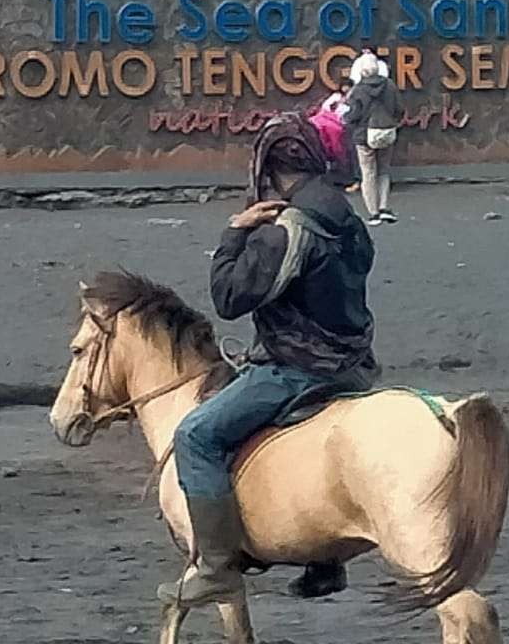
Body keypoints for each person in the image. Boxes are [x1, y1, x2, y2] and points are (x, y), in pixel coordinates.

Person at [160, 113, 379, 607]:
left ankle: (215, 567)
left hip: (298, 368)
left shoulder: (286, 229)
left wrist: (237, 232)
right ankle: (325, 560)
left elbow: (229, 297)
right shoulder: (349, 219)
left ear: (272, 167)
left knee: (195, 435)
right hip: (358, 364)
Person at [342, 53, 404, 226]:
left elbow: (354, 114)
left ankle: (373, 212)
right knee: (384, 171)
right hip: (386, 132)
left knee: (368, 173)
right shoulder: (390, 86)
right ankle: (384, 207)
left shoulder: (358, 90)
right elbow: (399, 109)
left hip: (363, 136)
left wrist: (345, 117)